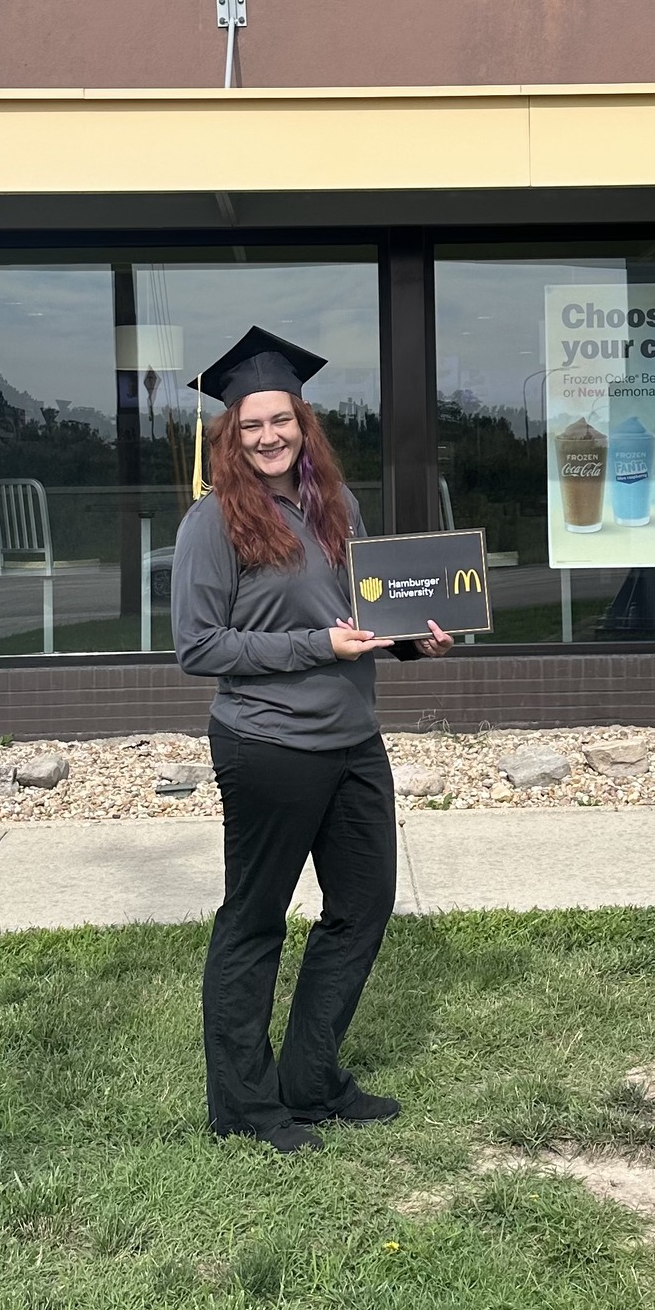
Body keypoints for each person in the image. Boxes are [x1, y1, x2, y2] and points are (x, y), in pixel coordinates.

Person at [171, 326, 453, 1153]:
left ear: (303, 423)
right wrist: (313, 647)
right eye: (251, 425)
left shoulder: (336, 504)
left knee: (360, 909)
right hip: (267, 746)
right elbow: (198, 647)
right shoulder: (211, 523)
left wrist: (412, 640)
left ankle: (310, 1078)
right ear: (230, 434)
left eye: (281, 420)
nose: (268, 436)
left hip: (353, 739)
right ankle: (245, 1106)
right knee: (255, 920)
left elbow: (359, 615)